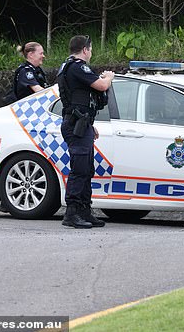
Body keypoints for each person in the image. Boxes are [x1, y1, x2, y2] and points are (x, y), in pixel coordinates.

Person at [57, 35, 114, 228]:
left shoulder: (68, 66)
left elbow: (79, 99)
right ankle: (71, 214)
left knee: (87, 169)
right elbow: (102, 85)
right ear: (85, 50)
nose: (91, 52)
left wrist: (89, 124)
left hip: (81, 124)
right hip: (76, 125)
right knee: (79, 170)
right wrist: (109, 77)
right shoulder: (77, 67)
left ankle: (84, 211)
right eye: (91, 49)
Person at [0, 41, 49, 213]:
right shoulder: (25, 71)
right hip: (23, 121)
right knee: (21, 158)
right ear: (30, 55)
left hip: (34, 120)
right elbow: (39, 91)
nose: (43, 55)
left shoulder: (37, 70)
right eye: (40, 53)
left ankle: (9, 201)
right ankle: (8, 201)